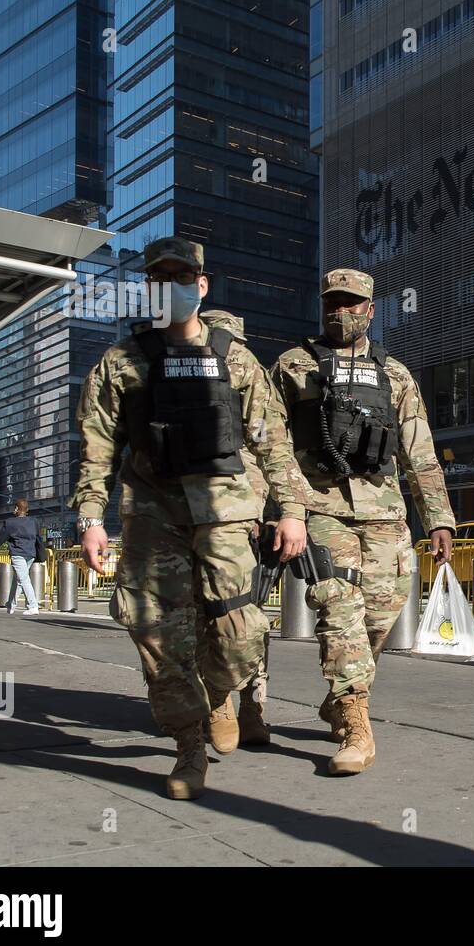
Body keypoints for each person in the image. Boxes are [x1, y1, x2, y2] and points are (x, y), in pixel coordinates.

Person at [70, 238, 311, 800]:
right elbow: (96, 448)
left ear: (202, 286)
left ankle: (219, 695)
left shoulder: (236, 359)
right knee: (157, 632)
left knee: (242, 632)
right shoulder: (121, 363)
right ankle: (188, 747)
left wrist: (293, 512)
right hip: (152, 516)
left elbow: (273, 444)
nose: (171, 288)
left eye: (183, 278)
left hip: (226, 514)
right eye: (159, 279)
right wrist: (89, 518)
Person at [271, 267, 455, 776]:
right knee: (339, 608)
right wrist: (286, 510)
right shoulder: (292, 367)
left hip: (385, 512)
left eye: (352, 303)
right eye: (332, 302)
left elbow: (420, 451)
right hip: (320, 507)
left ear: (371, 310)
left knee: (380, 615)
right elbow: (270, 444)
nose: (341, 311)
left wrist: (438, 518)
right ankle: (356, 723)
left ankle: (345, 690)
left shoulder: (395, 374)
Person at [200, 309, 274, 747]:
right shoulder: (246, 365)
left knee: (237, 613)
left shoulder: (244, 369)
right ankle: (232, 700)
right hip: (228, 510)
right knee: (233, 610)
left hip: (237, 511)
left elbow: (268, 445)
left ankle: (243, 703)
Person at [0, 498, 43, 615]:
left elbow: (0, 537)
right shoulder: (34, 521)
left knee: (23, 579)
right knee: (18, 579)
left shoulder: (10, 522)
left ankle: (33, 606)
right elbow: (38, 538)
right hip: (31, 554)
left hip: (18, 554)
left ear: (17, 508)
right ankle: (11, 605)